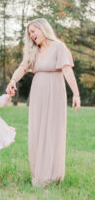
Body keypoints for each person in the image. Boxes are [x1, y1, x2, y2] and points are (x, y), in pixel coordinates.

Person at [6, 18, 81, 187]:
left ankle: (52, 175)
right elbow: (23, 67)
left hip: (55, 91)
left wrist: (76, 94)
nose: (32, 36)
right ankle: (39, 173)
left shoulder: (59, 47)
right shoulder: (34, 51)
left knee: (53, 130)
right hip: (38, 91)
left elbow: (67, 70)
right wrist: (12, 81)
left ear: (43, 29)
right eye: (29, 33)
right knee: (38, 130)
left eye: (34, 31)